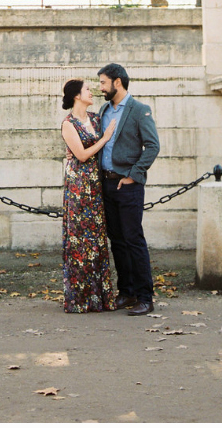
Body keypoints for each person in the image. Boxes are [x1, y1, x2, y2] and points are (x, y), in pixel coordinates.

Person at [96, 63, 160, 316]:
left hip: (128, 185)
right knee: (118, 241)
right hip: (106, 184)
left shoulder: (139, 110)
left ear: (117, 82)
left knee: (133, 240)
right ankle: (127, 292)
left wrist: (134, 176)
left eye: (103, 82)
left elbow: (152, 146)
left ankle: (145, 297)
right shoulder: (104, 110)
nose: (100, 87)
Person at [58, 78, 117, 313]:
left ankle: (99, 297)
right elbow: (81, 155)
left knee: (96, 239)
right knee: (79, 240)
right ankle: (80, 299)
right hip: (78, 186)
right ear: (76, 96)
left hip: (95, 185)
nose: (91, 92)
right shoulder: (68, 123)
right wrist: (104, 138)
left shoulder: (95, 118)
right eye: (87, 90)